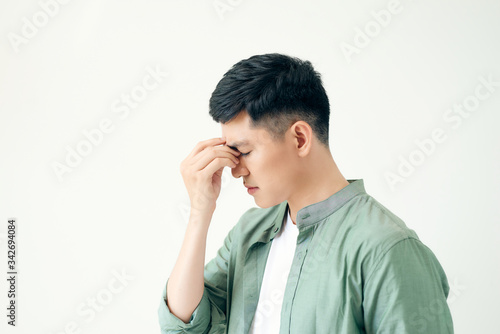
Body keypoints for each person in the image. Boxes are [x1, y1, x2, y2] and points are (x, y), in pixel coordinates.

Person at [158, 53, 454, 333]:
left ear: (299, 138)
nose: (236, 170)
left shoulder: (387, 247)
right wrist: (200, 211)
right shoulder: (250, 232)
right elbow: (184, 324)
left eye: (244, 151)